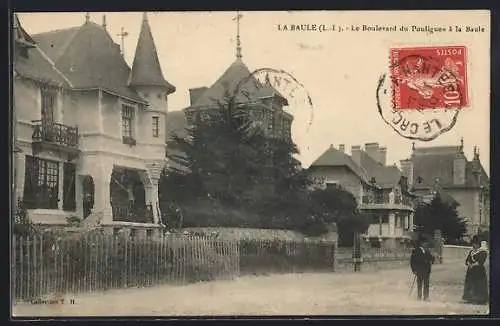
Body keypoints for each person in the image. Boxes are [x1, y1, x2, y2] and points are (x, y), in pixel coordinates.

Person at [462, 236, 489, 305]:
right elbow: (467, 260)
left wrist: (473, 265)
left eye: (476, 244)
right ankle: (470, 298)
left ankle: (480, 299)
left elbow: (481, 261)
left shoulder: (483, 252)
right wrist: (468, 263)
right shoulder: (471, 251)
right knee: (470, 284)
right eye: (473, 244)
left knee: (479, 285)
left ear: (478, 245)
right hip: (471, 271)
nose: (474, 245)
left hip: (479, 271)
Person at [410, 236, 435, 301]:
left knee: (426, 284)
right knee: (420, 284)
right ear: (422, 243)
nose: (426, 244)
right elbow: (412, 261)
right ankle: (419, 296)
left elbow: (431, 258)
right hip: (419, 270)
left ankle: (426, 297)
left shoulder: (427, 250)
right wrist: (414, 270)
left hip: (426, 270)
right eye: (425, 243)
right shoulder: (416, 250)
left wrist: (432, 259)